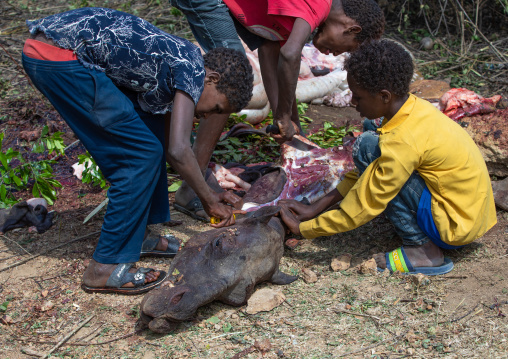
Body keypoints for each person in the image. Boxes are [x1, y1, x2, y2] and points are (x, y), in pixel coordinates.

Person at [22, 7, 253, 294]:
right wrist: (208, 200)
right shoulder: (192, 70)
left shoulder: (182, 65)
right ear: (213, 78)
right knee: (137, 156)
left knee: (150, 138)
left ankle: (138, 233)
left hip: (56, 50)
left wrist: (211, 191)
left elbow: (170, 146)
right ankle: (104, 267)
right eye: (217, 107)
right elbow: (180, 149)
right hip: (58, 56)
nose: (208, 115)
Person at [279, 39, 497, 275]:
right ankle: (422, 234)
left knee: (367, 146)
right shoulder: (412, 108)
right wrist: (315, 207)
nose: (352, 102)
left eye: (358, 97)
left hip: (455, 227)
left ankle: (423, 251)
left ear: (384, 96)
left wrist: (306, 228)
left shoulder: (402, 139)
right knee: (370, 138)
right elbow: (370, 171)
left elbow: (366, 203)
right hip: (470, 217)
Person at [170, 0, 385, 221]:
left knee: (233, 75)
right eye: (346, 47)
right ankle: (191, 187)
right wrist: (283, 116)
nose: (334, 54)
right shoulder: (318, 4)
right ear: (351, 29)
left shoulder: (298, 17)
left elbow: (271, 50)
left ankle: (197, 175)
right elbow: (290, 54)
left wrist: (290, 123)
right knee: (229, 78)